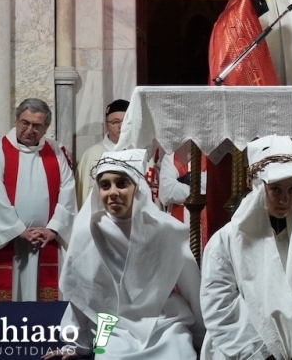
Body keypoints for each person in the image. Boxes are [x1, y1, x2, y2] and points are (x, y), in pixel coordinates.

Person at [46, 149, 204, 359]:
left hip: (164, 320)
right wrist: (76, 344)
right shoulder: (89, 231)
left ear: (137, 188)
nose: (113, 192)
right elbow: (83, 288)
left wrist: (204, 337)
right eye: (105, 185)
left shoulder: (167, 230)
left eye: (122, 184)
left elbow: (192, 288)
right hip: (113, 322)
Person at [200, 135, 292, 360]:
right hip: (242, 350)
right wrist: (259, 353)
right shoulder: (226, 240)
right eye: (276, 189)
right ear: (257, 185)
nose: (285, 200)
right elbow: (220, 305)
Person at [0, 98, 76, 301]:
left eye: (37, 126)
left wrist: (53, 229)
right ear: (16, 120)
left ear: (46, 128)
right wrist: (19, 230)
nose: (29, 129)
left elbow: (68, 191)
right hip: (7, 242)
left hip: (45, 243)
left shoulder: (56, 152)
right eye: (25, 123)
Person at [75, 99, 129, 208]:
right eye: (115, 122)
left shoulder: (141, 153)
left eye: (126, 121)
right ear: (106, 125)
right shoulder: (91, 155)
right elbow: (82, 195)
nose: (121, 126)